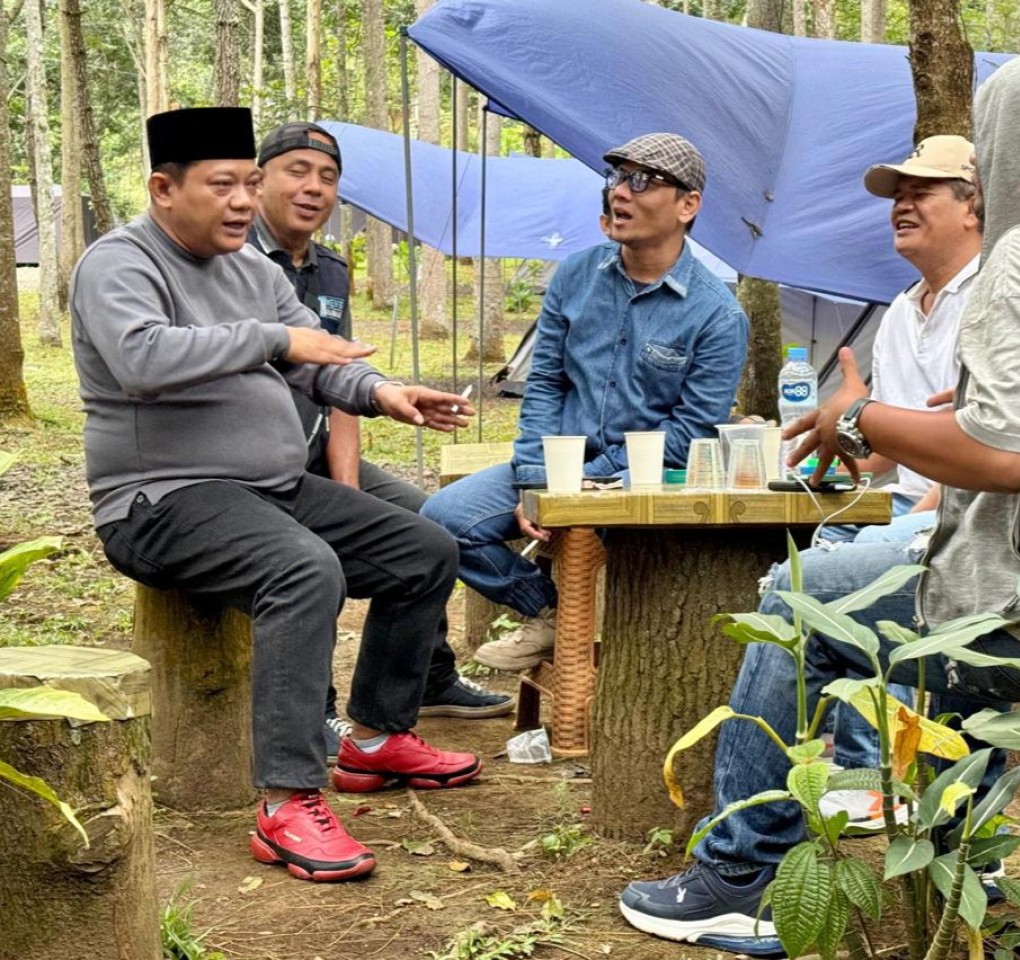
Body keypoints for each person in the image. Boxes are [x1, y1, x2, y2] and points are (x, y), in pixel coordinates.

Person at [619, 44, 1020, 957]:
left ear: (1015, 140)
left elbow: (1009, 457)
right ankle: (968, 847)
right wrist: (952, 418)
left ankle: (737, 878)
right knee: (926, 578)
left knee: (802, 598)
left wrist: (859, 418)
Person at [71, 107, 483, 884]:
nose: (240, 201)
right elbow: (141, 360)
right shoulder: (119, 263)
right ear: (163, 188)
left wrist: (382, 392)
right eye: (222, 185)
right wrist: (273, 338)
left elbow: (317, 359)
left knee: (424, 548)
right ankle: (288, 800)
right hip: (161, 501)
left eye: (248, 183)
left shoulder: (254, 273)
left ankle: (375, 737)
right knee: (303, 569)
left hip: (269, 489)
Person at [423, 132, 748, 671]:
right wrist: (537, 480)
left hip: (643, 478)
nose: (619, 191)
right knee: (442, 521)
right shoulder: (576, 275)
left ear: (688, 205)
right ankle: (549, 611)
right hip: (558, 461)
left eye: (642, 181)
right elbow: (544, 384)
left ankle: (614, 637)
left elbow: (689, 434)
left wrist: (581, 484)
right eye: (617, 177)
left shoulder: (718, 315)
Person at [250, 121, 513, 753]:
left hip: (317, 450)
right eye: (297, 171)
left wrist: (347, 487)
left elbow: (339, 381)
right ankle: (317, 711)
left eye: (328, 177)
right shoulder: (235, 265)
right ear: (258, 181)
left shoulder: (329, 270)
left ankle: (428, 678)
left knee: (428, 523)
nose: (313, 188)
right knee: (310, 561)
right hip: (256, 466)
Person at [817, 134, 983, 827]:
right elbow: (888, 446)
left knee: (850, 574)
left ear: (973, 206)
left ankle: (878, 779)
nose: (901, 206)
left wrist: (913, 517)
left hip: (975, 510)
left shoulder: (996, 298)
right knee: (817, 543)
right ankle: (861, 761)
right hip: (909, 502)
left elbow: (982, 446)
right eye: (897, 196)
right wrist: (835, 450)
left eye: (921, 193)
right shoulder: (900, 310)